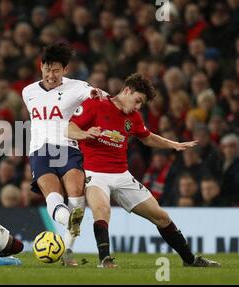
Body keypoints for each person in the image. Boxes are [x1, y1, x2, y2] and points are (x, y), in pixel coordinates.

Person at [67, 73, 220, 268]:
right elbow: (69, 128)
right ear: (127, 90)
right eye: (138, 101)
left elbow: (147, 137)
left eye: (142, 104)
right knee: (102, 210)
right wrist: (85, 133)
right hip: (94, 173)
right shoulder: (95, 104)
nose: (138, 107)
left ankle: (190, 260)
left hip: (122, 175)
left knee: (161, 217)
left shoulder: (133, 117)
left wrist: (173, 144)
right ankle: (105, 259)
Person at [22, 42, 104, 266]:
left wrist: (95, 93)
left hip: (68, 147)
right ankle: (70, 222)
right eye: (47, 68)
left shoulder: (77, 87)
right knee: (53, 196)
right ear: (41, 67)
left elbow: (95, 93)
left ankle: (67, 251)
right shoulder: (28, 92)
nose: (51, 74)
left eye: (56, 70)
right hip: (40, 151)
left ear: (65, 70)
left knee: (77, 194)